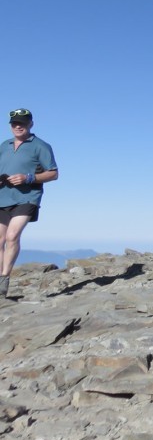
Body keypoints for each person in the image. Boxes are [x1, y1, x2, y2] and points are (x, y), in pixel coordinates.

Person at [0, 109, 59, 299]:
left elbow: (53, 173)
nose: (18, 126)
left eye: (22, 123)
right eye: (14, 123)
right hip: (2, 197)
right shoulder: (4, 145)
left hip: (27, 197)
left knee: (12, 236)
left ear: (30, 124)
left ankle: (4, 279)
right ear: (10, 125)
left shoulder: (40, 146)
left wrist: (28, 177)